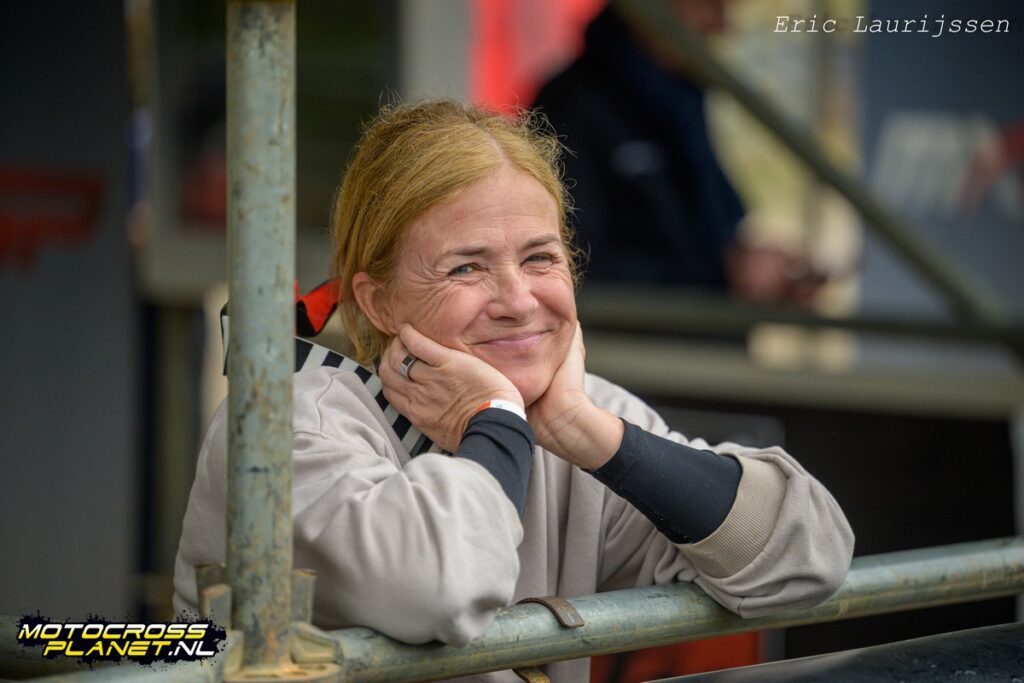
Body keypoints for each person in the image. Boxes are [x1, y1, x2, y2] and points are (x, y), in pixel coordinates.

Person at [174, 100, 854, 682]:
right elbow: (441, 589)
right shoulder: (283, 426)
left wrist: (588, 432)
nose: (519, 300)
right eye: (466, 268)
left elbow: (809, 560)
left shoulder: (572, 417)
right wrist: (497, 420)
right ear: (378, 303)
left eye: (540, 258)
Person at [532, 2, 825, 304]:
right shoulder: (569, 109)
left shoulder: (681, 100)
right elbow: (569, 267)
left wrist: (745, 264)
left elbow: (713, 229)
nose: (722, 26)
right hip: (640, 332)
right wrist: (723, 274)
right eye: (710, 5)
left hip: (696, 326)